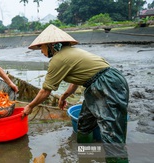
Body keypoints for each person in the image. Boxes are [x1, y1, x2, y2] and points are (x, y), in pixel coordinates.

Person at [22, 24, 129, 163]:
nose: (41, 52)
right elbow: (78, 80)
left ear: (52, 45)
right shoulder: (71, 53)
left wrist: (30, 106)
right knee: (84, 124)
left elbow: (45, 91)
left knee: (112, 135)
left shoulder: (58, 59)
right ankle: (86, 157)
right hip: (95, 86)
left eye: (41, 47)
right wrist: (64, 96)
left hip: (108, 84)